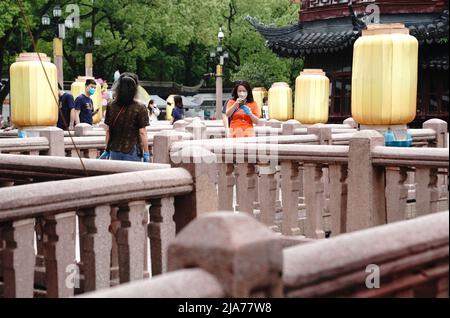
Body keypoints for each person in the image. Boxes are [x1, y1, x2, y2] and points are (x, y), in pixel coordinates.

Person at [99, 73, 150, 162]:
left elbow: (108, 130)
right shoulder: (140, 107)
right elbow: (142, 132)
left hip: (114, 149)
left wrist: (106, 149)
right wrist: (146, 152)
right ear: (135, 89)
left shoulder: (111, 105)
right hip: (132, 150)